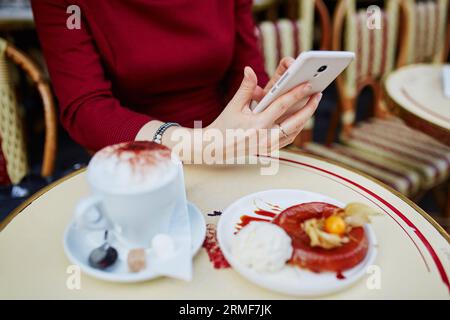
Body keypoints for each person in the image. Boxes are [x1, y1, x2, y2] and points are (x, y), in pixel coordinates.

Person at [31, 0, 321, 162]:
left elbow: (244, 74)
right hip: (135, 159)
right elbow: (85, 108)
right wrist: (198, 143)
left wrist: (265, 104)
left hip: (229, 151)